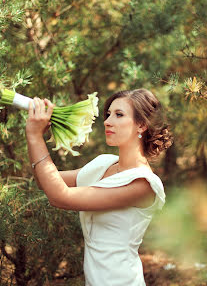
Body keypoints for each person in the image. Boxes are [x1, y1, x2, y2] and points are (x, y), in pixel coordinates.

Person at [26, 88, 173, 286]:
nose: (107, 121)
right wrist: (36, 137)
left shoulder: (143, 183)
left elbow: (60, 197)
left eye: (119, 114)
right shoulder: (103, 163)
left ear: (141, 125)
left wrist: (35, 137)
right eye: (108, 114)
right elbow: (43, 181)